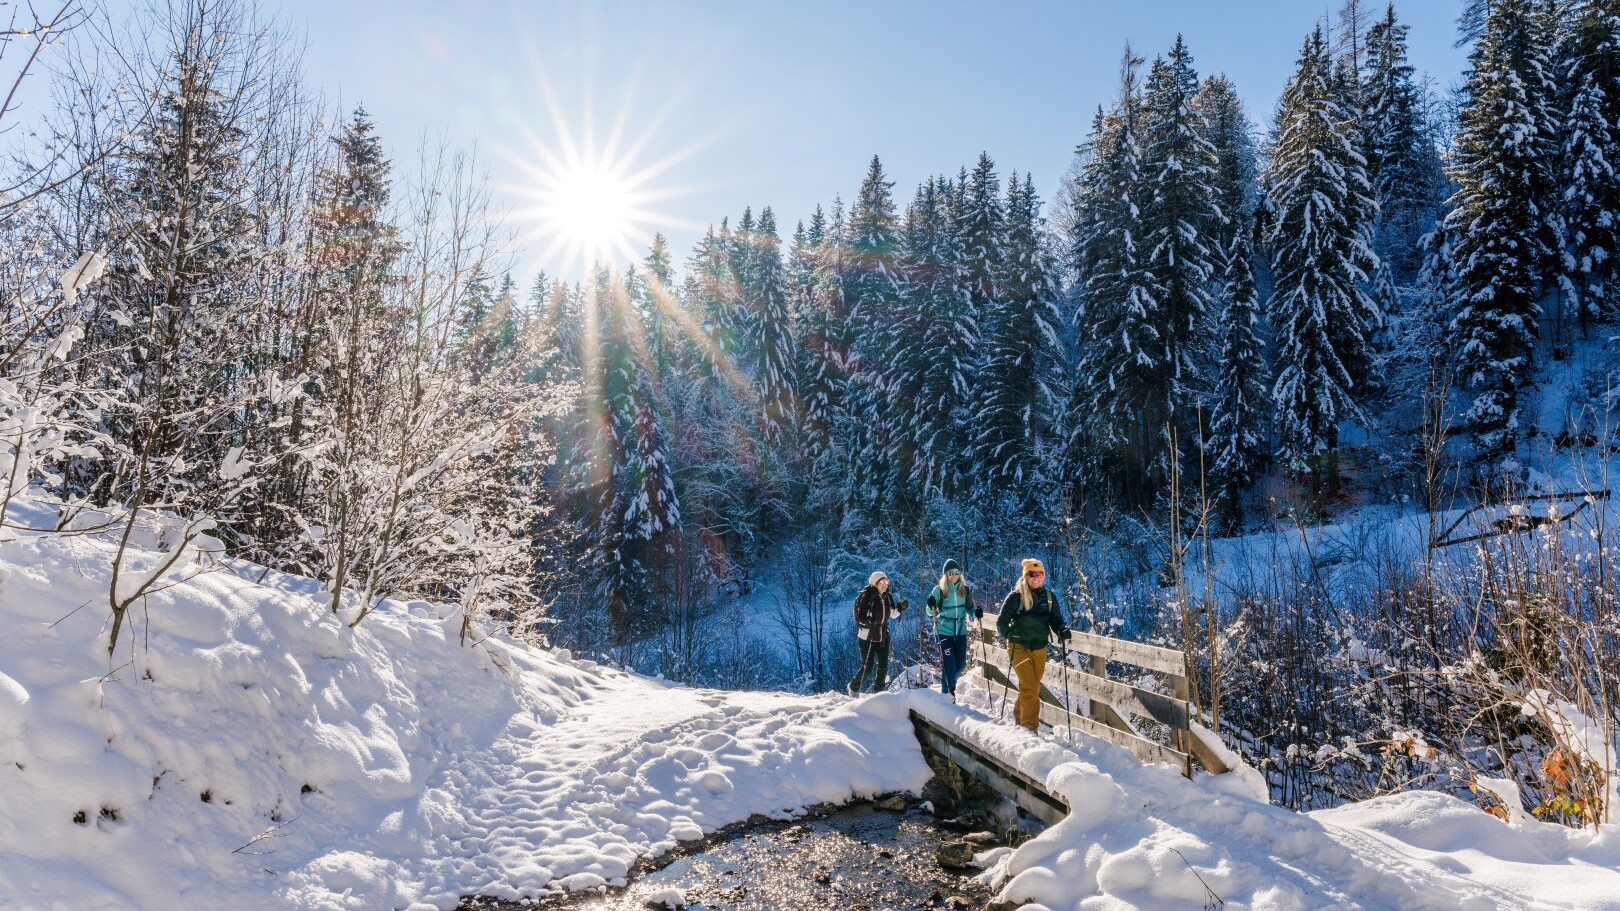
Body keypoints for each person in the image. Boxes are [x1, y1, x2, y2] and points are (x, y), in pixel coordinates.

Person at [994, 558, 1069, 732]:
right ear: (1026, 576)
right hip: (1018, 646)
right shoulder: (1016, 597)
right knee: (1028, 685)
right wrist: (1009, 633)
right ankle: (1030, 728)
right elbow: (1001, 622)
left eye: (1039, 574)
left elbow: (1056, 619)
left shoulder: (1049, 597)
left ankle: (1019, 713)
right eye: (1032, 574)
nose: (1036, 578)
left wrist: (1062, 629)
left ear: (1044, 576)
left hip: (1039, 647)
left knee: (1034, 686)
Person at [926, 559, 981, 699]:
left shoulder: (965, 589)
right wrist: (930, 604)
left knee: (961, 664)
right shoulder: (939, 590)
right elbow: (929, 612)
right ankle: (948, 695)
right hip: (944, 631)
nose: (954, 575)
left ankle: (949, 686)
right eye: (950, 573)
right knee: (949, 665)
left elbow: (969, 608)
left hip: (960, 631)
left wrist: (976, 613)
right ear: (946, 575)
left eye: (956, 572)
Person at [848, 571, 905, 695]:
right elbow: (859, 617)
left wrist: (900, 607)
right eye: (881, 582)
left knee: (883, 666)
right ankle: (853, 687)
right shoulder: (866, 596)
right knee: (867, 667)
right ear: (875, 584)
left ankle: (878, 693)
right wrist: (869, 622)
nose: (885, 584)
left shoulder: (887, 597)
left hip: (883, 636)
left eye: (886, 582)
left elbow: (893, 614)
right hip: (867, 636)